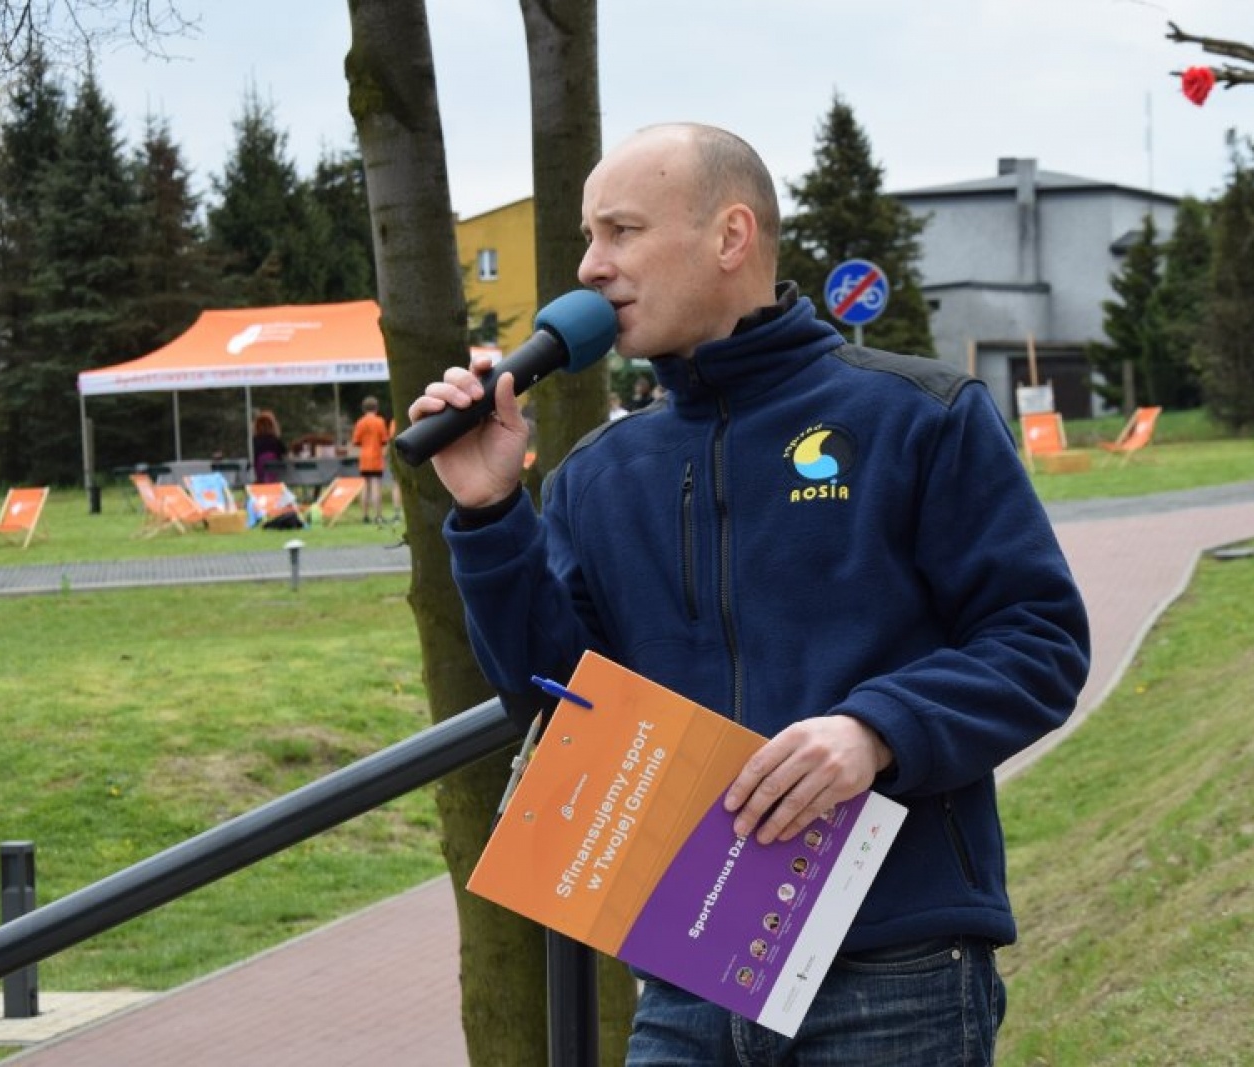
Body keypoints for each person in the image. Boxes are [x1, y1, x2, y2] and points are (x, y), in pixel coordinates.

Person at [409, 123, 1089, 1066]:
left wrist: (875, 730)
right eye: (588, 235)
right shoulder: (599, 474)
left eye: (621, 231)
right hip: (690, 964)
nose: (589, 266)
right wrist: (488, 513)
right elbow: (558, 700)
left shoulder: (916, 416)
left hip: (894, 961)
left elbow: (1040, 640)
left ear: (731, 238)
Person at [351, 396, 391, 523]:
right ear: (376, 408)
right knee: (376, 487)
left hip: (364, 458)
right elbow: (385, 440)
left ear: (363, 409)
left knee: (365, 487)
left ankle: (364, 515)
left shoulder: (360, 422)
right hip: (376, 457)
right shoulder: (379, 422)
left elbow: (356, 441)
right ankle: (378, 515)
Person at [251, 409, 286, 484]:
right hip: (275, 477)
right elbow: (285, 454)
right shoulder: (275, 441)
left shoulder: (253, 442)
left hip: (258, 475)